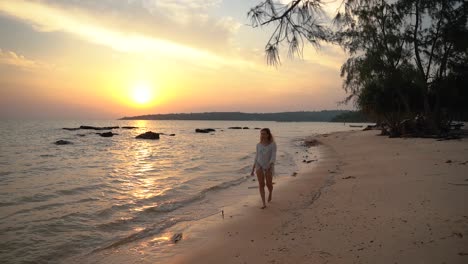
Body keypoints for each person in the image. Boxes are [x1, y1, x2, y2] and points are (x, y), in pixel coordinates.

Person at [251, 128, 277, 209]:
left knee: (269, 184)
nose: (262, 135)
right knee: (261, 184)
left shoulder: (273, 144)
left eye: (264, 134)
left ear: (268, 134)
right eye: (261, 134)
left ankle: (270, 193)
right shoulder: (258, 145)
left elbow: (273, 156)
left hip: (269, 166)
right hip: (259, 165)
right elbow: (256, 157)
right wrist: (253, 168)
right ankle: (263, 203)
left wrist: (269, 165)